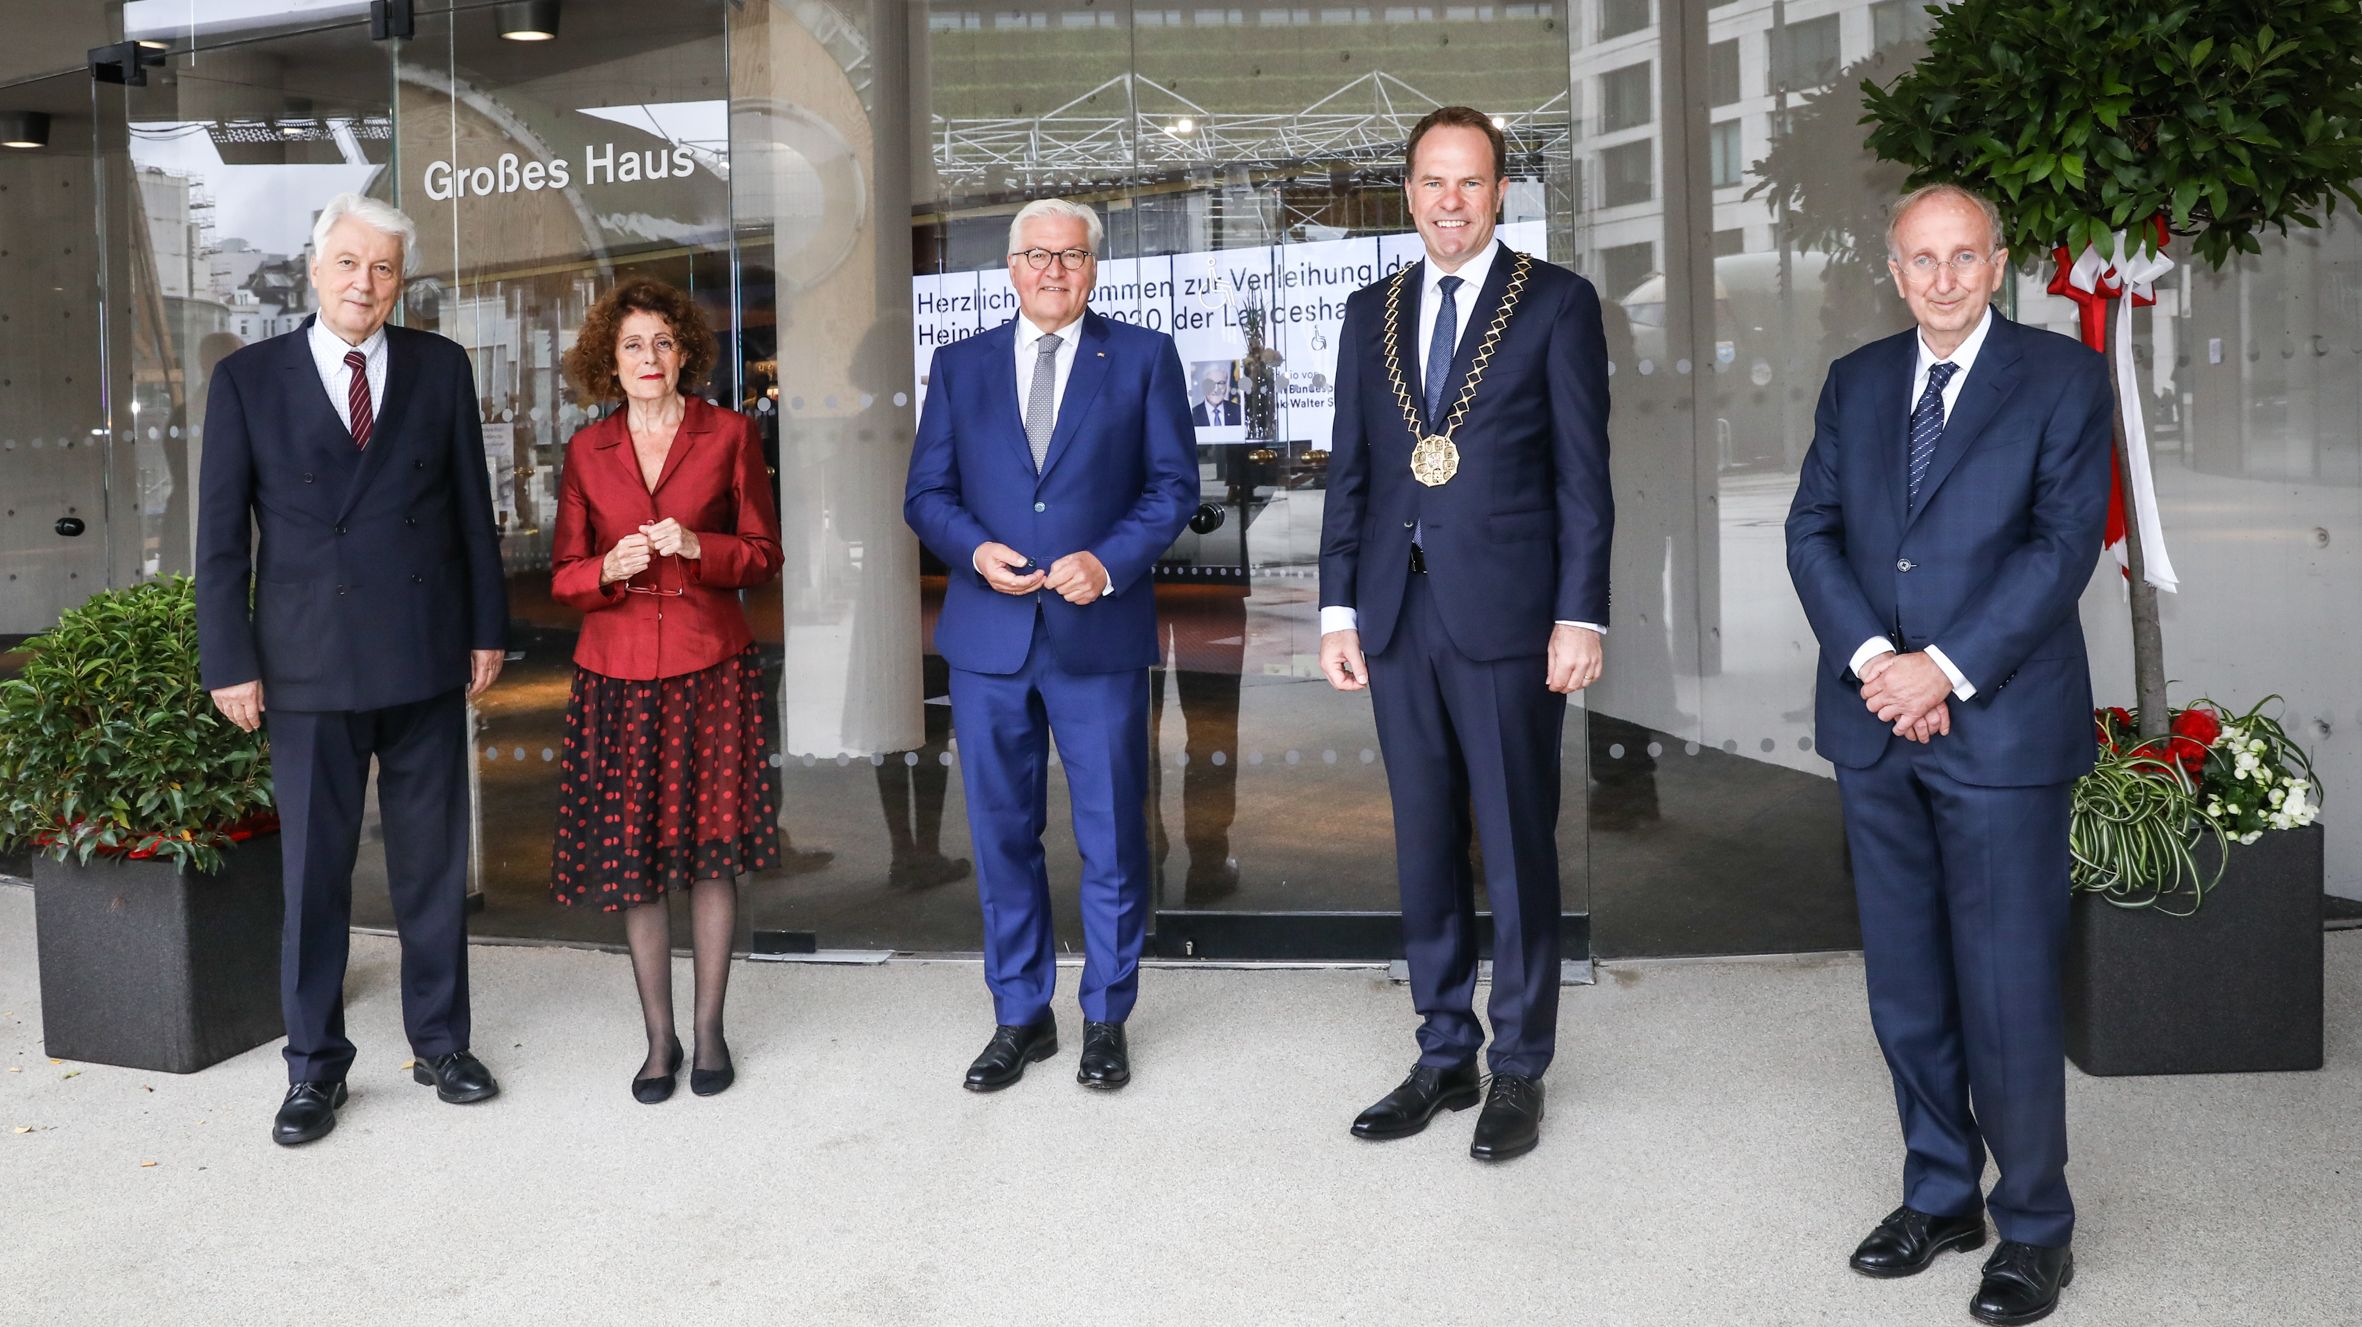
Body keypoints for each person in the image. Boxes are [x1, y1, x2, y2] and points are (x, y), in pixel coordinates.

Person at [1785, 183, 2111, 1326]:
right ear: (1892, 268)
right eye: (1919, 259)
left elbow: (2062, 545)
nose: (1939, 279)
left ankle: (2033, 1224)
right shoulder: (1857, 382)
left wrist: (1945, 668)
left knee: (2009, 987)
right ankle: (1938, 1192)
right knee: (1907, 984)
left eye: (1961, 257)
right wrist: (1881, 660)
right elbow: (1810, 529)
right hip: (1876, 726)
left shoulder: (2063, 378)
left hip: (2001, 727)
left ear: (1997, 263)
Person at [1317, 106, 1612, 1162]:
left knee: (1518, 844)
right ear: (1408, 193)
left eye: (1471, 182)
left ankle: (1519, 1067)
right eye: (1433, 182)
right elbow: (1351, 470)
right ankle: (1443, 1050)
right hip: (1396, 614)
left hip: (1509, 618)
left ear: (1500, 193)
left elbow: (1585, 478)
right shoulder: (1370, 310)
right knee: (1425, 839)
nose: (1451, 201)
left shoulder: (1557, 306)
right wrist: (1337, 607)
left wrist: (1580, 613)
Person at [194, 192, 508, 1147]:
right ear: (314, 267)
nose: (363, 284)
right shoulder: (246, 379)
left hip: (420, 649)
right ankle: (313, 1067)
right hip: (306, 666)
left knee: (431, 867)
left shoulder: (439, 366)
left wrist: (486, 627)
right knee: (315, 877)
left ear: (398, 281)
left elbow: (469, 510)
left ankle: (442, 1042)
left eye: (382, 269)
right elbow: (219, 541)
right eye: (348, 264)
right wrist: (229, 660)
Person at [903, 197, 1195, 1093]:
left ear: (1093, 267)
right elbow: (927, 494)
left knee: (1111, 836)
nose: (1053, 270)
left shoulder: (1142, 355)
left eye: (1070, 256)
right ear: (1011, 266)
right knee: (1001, 836)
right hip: (989, 638)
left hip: (1095, 632)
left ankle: (1105, 1017)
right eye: (1037, 255)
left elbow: (1172, 487)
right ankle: (1020, 1015)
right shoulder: (959, 365)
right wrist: (971, 548)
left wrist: (1104, 564)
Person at [547, 278, 784, 1103]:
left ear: (686, 350)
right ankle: (660, 1038)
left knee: (712, 853)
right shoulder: (587, 450)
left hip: (708, 666)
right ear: (609, 361)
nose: (649, 358)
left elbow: (762, 553)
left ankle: (711, 1027)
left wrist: (698, 543)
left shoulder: (729, 434)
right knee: (634, 858)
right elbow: (563, 573)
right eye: (632, 345)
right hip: (614, 676)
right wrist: (603, 570)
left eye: (663, 343)